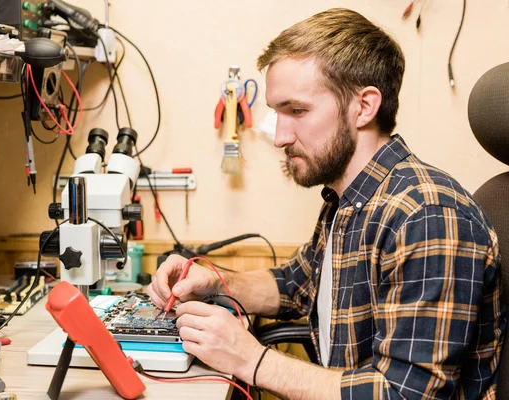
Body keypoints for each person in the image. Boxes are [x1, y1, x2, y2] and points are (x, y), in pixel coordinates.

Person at [148, 8, 505, 399]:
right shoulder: (350, 199)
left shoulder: (426, 215)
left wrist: (250, 359)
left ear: (364, 107)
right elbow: (294, 285)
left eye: (297, 111)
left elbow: (404, 394)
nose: (281, 136)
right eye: (276, 112)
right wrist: (215, 280)